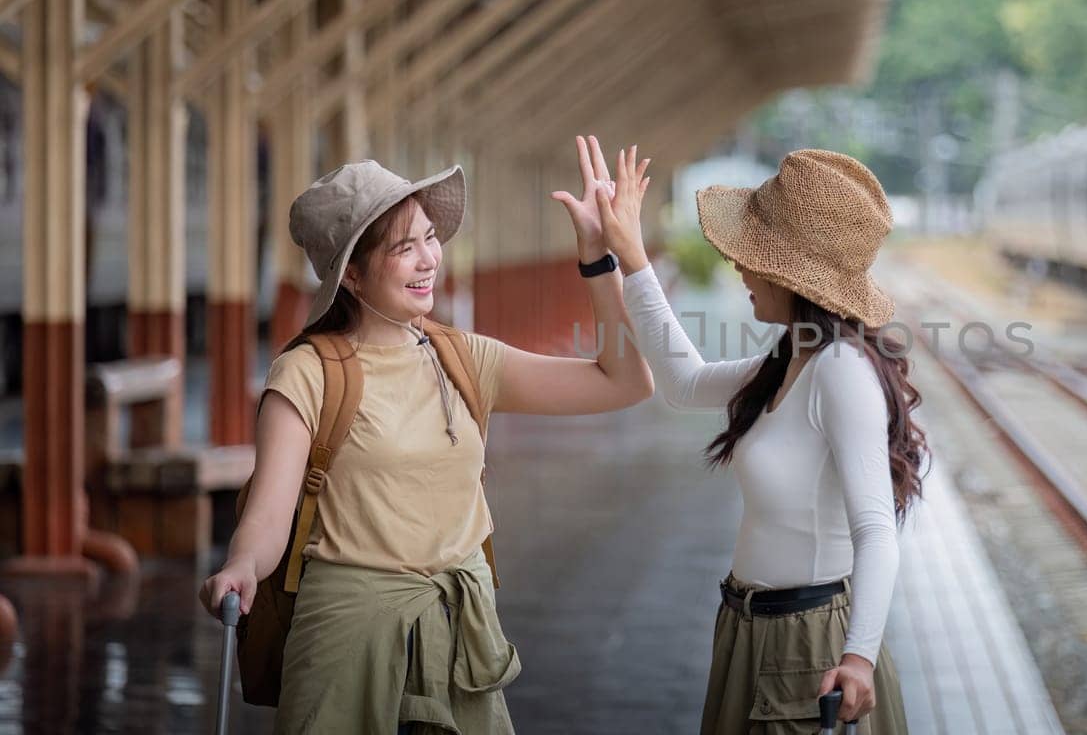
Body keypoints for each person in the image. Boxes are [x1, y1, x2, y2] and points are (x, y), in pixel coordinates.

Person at [198, 137, 653, 733]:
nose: (428, 259)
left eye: (430, 238)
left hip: (461, 641)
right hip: (348, 642)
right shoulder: (307, 373)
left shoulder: (464, 358)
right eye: (403, 248)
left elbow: (624, 382)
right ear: (353, 278)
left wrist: (600, 260)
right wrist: (239, 564)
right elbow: (268, 518)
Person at [600, 146, 927, 734]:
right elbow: (683, 383)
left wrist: (858, 658)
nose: (740, 269)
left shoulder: (840, 371)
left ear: (790, 274)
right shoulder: (791, 360)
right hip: (749, 631)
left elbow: (876, 531)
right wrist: (626, 258)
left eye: (752, 257)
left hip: (810, 650)